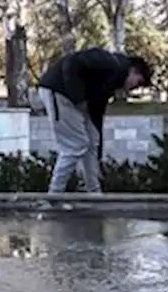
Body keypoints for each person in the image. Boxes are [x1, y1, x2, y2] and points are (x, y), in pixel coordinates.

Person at [36, 49, 151, 193]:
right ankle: (54, 195)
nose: (135, 88)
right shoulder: (110, 63)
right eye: (138, 82)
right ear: (133, 70)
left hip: (70, 96)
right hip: (58, 90)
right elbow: (71, 63)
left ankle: (94, 192)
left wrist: (99, 158)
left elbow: (96, 119)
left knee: (92, 140)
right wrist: (78, 97)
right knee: (75, 145)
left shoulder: (111, 84)